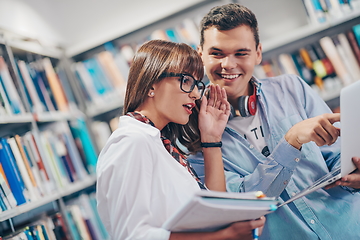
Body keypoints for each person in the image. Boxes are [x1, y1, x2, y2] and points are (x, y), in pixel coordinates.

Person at [188, 3, 360, 240]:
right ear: (200, 55)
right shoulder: (191, 134)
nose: (228, 64)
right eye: (217, 53)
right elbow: (240, 206)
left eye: (241, 53)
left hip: (349, 227)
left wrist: (353, 170)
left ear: (258, 53)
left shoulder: (292, 87)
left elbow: (337, 155)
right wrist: (290, 142)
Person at [96, 39, 265, 240]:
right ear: (151, 85)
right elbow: (134, 237)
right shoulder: (132, 142)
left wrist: (211, 138)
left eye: (197, 84)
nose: (195, 94)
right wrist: (225, 235)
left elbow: (213, 208)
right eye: (186, 81)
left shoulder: (159, 143)